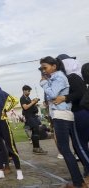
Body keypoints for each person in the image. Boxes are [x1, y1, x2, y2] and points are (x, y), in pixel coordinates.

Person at [39, 56, 87, 188]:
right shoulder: (55, 77)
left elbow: (53, 94)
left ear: (54, 66)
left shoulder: (59, 77)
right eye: (41, 68)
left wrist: (43, 83)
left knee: (65, 150)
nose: (43, 70)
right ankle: (80, 181)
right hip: (61, 115)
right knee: (70, 149)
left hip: (62, 116)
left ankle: (78, 183)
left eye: (45, 67)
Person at [53, 54, 89, 181]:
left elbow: (80, 94)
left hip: (79, 113)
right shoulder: (73, 77)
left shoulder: (71, 77)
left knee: (79, 145)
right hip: (80, 113)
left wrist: (65, 98)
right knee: (80, 145)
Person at [20, 85, 47, 155]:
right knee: (35, 132)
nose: (29, 92)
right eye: (28, 91)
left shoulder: (27, 98)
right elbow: (25, 107)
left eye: (29, 91)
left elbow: (30, 105)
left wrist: (34, 101)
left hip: (33, 116)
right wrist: (33, 102)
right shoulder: (22, 98)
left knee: (36, 131)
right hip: (29, 117)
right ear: (24, 90)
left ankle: (36, 147)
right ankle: (36, 148)